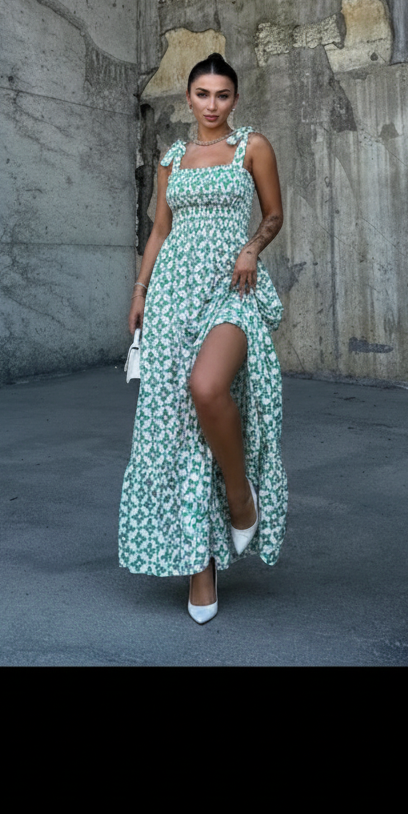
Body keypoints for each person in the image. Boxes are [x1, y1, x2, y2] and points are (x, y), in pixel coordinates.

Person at [118, 53, 288, 623]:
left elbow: (273, 214)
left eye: (222, 94)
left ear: (234, 99)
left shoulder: (252, 147)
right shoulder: (172, 157)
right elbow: (159, 231)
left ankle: (241, 498)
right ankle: (200, 564)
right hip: (172, 294)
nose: (212, 104)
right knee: (179, 427)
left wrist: (250, 248)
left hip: (232, 288)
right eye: (202, 94)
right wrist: (140, 290)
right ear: (188, 97)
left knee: (207, 389)